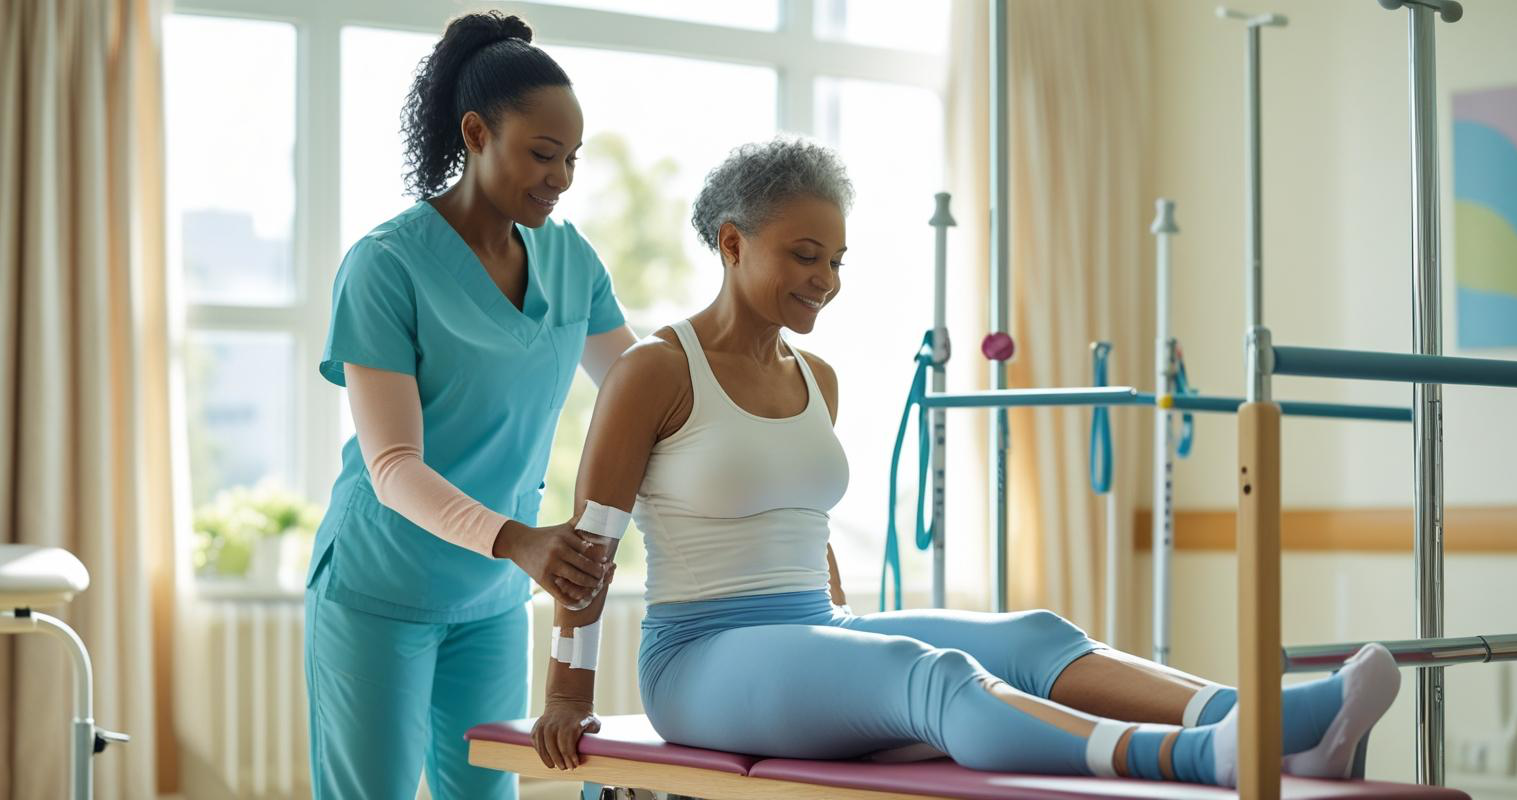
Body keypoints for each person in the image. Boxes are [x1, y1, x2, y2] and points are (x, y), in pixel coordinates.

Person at [528, 137, 1401, 786]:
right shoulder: (657, 369)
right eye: (804, 255)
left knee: (1031, 635)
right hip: (698, 657)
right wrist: (567, 692)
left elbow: (798, 520)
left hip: (807, 628)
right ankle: (1202, 756)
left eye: (836, 260)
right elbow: (587, 552)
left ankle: (1259, 717)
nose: (825, 278)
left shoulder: (817, 378)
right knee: (932, 676)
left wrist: (828, 636)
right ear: (730, 243)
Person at [303, 12, 629, 798]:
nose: (561, 177)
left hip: (490, 602)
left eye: (572, 159)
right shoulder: (387, 267)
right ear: (476, 133)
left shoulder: (571, 259)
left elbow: (641, 395)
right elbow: (391, 465)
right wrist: (520, 540)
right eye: (543, 154)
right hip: (382, 589)